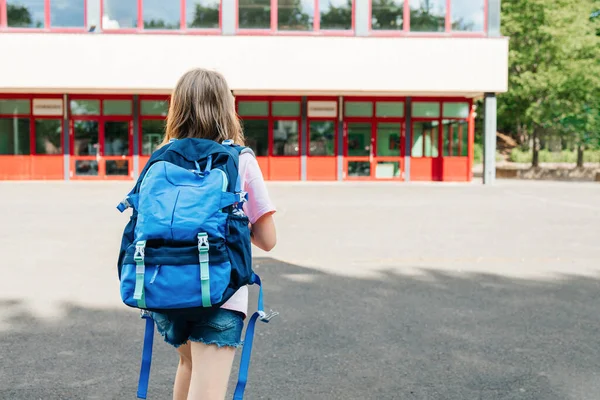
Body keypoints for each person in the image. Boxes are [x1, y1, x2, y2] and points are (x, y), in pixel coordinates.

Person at [151, 68, 277, 400]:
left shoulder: (162, 158)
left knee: (189, 368)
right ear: (225, 108)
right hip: (219, 289)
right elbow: (267, 238)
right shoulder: (239, 159)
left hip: (165, 286)